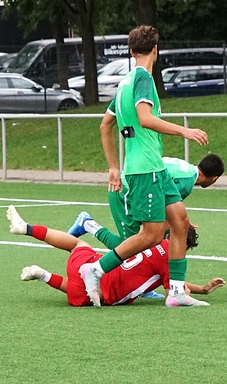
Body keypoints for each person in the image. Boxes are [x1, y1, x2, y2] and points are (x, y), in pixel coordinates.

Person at [78, 25, 210, 308]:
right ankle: (96, 269)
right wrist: (185, 131)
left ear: (131, 51)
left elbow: (105, 125)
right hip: (144, 169)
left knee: (180, 221)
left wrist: (113, 167)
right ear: (155, 50)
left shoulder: (125, 82)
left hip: (155, 168)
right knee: (151, 234)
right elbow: (145, 118)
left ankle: (176, 292)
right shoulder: (143, 79)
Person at [7, 206, 225, 306]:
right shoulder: (169, 260)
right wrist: (193, 292)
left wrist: (201, 289)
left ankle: (27, 228)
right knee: (77, 289)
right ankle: (43, 275)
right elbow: (174, 292)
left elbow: (168, 279)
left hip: (86, 266)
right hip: (97, 294)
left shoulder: (152, 239)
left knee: (77, 244)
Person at [68, 153, 225, 250]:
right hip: (124, 191)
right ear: (214, 178)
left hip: (134, 190)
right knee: (129, 247)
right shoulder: (186, 184)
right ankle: (87, 224)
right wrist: (180, 223)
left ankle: (145, 282)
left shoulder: (186, 168)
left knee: (147, 239)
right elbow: (165, 208)